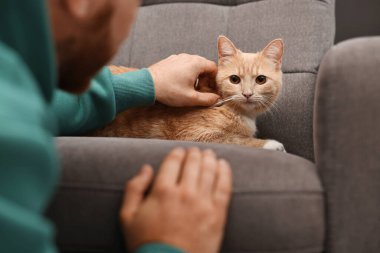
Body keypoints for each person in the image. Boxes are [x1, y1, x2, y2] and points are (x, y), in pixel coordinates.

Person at [0, 0, 233, 253]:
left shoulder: (13, 87)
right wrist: (170, 245)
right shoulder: (10, 129)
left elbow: (46, 100)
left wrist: (148, 82)